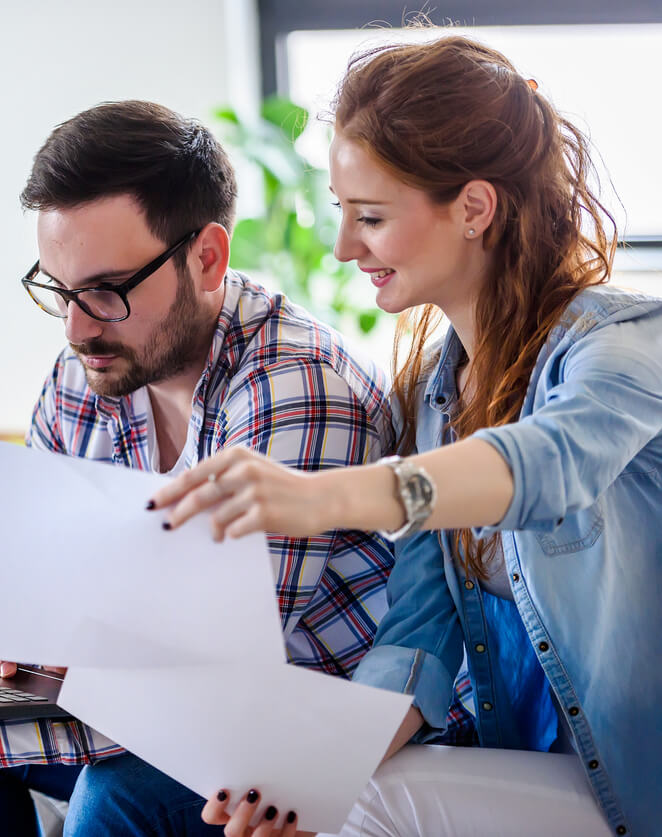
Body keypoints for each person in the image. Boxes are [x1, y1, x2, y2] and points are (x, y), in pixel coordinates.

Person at [0, 100, 435, 836]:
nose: (79, 329)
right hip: (164, 689)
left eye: (107, 291)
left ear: (208, 257)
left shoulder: (296, 388)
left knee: (115, 795)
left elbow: (220, 688)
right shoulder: (89, 371)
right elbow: (68, 586)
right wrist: (15, 638)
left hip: (303, 714)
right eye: (60, 290)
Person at [153, 36, 661, 837]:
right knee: (347, 789)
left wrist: (329, 496)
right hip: (546, 774)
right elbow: (418, 638)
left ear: (473, 208)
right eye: (342, 213)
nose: (346, 246)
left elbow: (547, 465)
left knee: (377, 799)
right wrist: (302, 786)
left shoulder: (624, 347)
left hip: (639, 783)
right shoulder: (437, 394)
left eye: (373, 217)